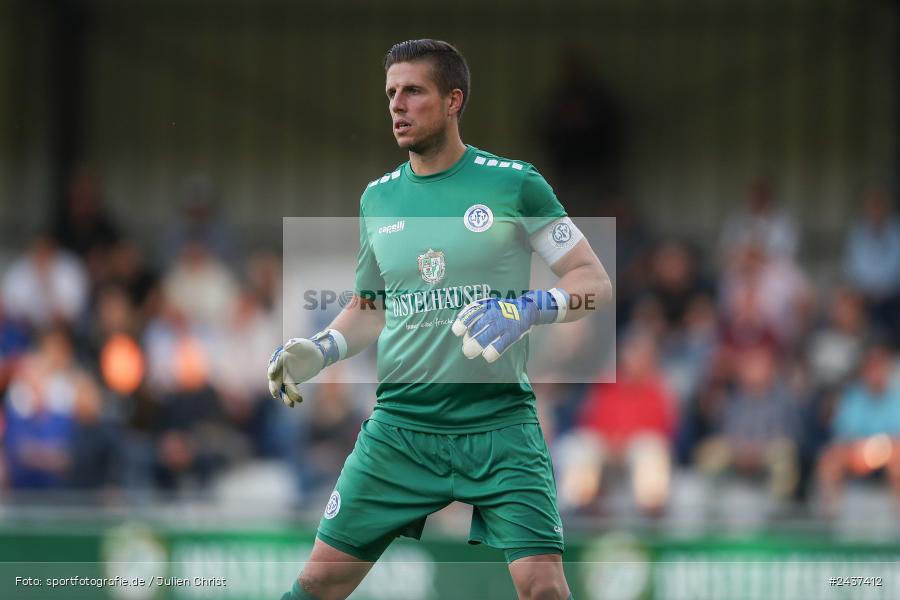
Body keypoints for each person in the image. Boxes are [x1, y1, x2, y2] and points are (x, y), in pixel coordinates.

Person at [269, 40, 611, 600]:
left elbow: (593, 281)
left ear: (454, 100)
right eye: (390, 94)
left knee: (543, 587)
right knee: (317, 582)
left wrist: (529, 308)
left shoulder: (513, 183)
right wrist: (325, 346)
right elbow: (371, 306)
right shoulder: (377, 199)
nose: (396, 106)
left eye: (413, 92)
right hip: (401, 428)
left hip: (499, 426)